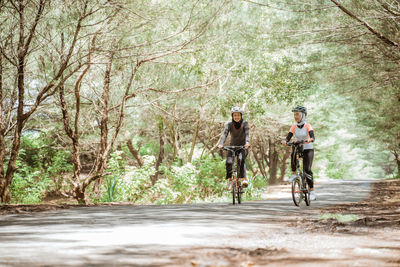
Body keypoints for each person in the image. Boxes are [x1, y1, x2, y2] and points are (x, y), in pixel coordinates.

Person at [281, 106, 316, 201]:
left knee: (307, 170)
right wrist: (285, 141)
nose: (295, 116)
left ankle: (312, 191)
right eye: (294, 114)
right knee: (293, 154)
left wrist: (310, 139)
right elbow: (288, 137)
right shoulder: (293, 127)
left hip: (308, 149)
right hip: (298, 147)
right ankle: (293, 174)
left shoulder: (308, 126)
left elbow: (313, 136)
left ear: (303, 115)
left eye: (297, 114)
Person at [218, 107, 250, 190]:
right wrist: (221, 143)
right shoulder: (229, 125)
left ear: (241, 115)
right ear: (232, 116)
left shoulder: (245, 124)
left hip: (243, 147)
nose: (236, 117)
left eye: (238, 115)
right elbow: (225, 135)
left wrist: (247, 143)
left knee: (240, 159)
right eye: (235, 115)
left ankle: (243, 179)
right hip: (232, 147)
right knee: (229, 162)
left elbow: (247, 134)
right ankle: (230, 180)